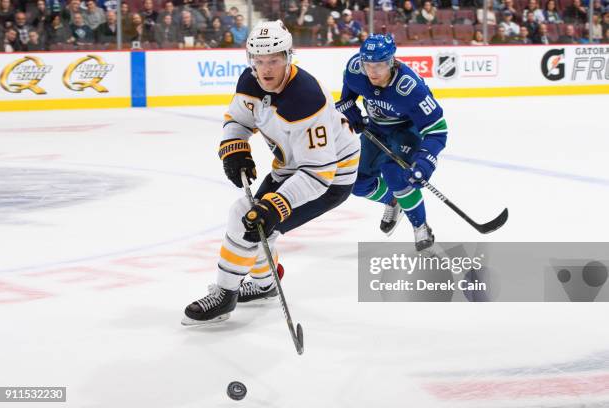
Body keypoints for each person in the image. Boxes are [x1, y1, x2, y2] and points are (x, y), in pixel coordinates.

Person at [182, 20, 360, 324]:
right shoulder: (250, 82)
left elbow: (319, 173)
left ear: (289, 57)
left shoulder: (306, 98)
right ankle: (265, 285)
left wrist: (277, 205)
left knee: (250, 216)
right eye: (259, 61)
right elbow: (237, 119)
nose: (265, 69)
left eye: (274, 61)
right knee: (257, 224)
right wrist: (235, 147)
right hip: (292, 168)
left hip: (331, 177)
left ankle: (226, 295)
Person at [336, 34, 447, 249]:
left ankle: (420, 227)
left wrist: (425, 161)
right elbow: (347, 96)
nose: (372, 71)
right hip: (376, 128)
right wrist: (350, 110)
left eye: (379, 65)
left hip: (407, 130)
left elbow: (437, 130)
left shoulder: (411, 88)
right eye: (368, 64)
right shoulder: (355, 69)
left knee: (394, 174)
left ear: (391, 61)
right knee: (357, 184)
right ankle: (393, 200)